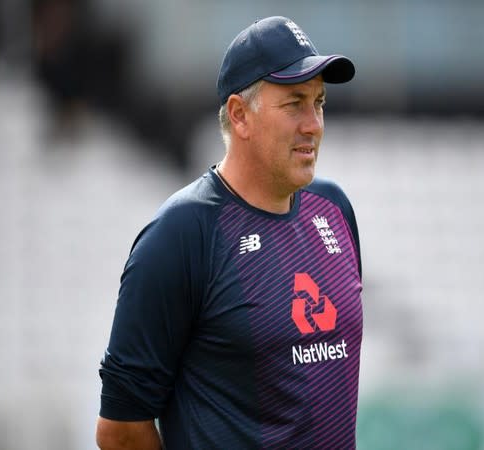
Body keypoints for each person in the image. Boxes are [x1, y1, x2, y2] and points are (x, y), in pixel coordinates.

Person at [96, 16, 363, 449]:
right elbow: (120, 430)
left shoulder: (335, 210)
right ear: (240, 115)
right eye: (294, 103)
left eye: (319, 103)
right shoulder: (181, 235)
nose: (313, 124)